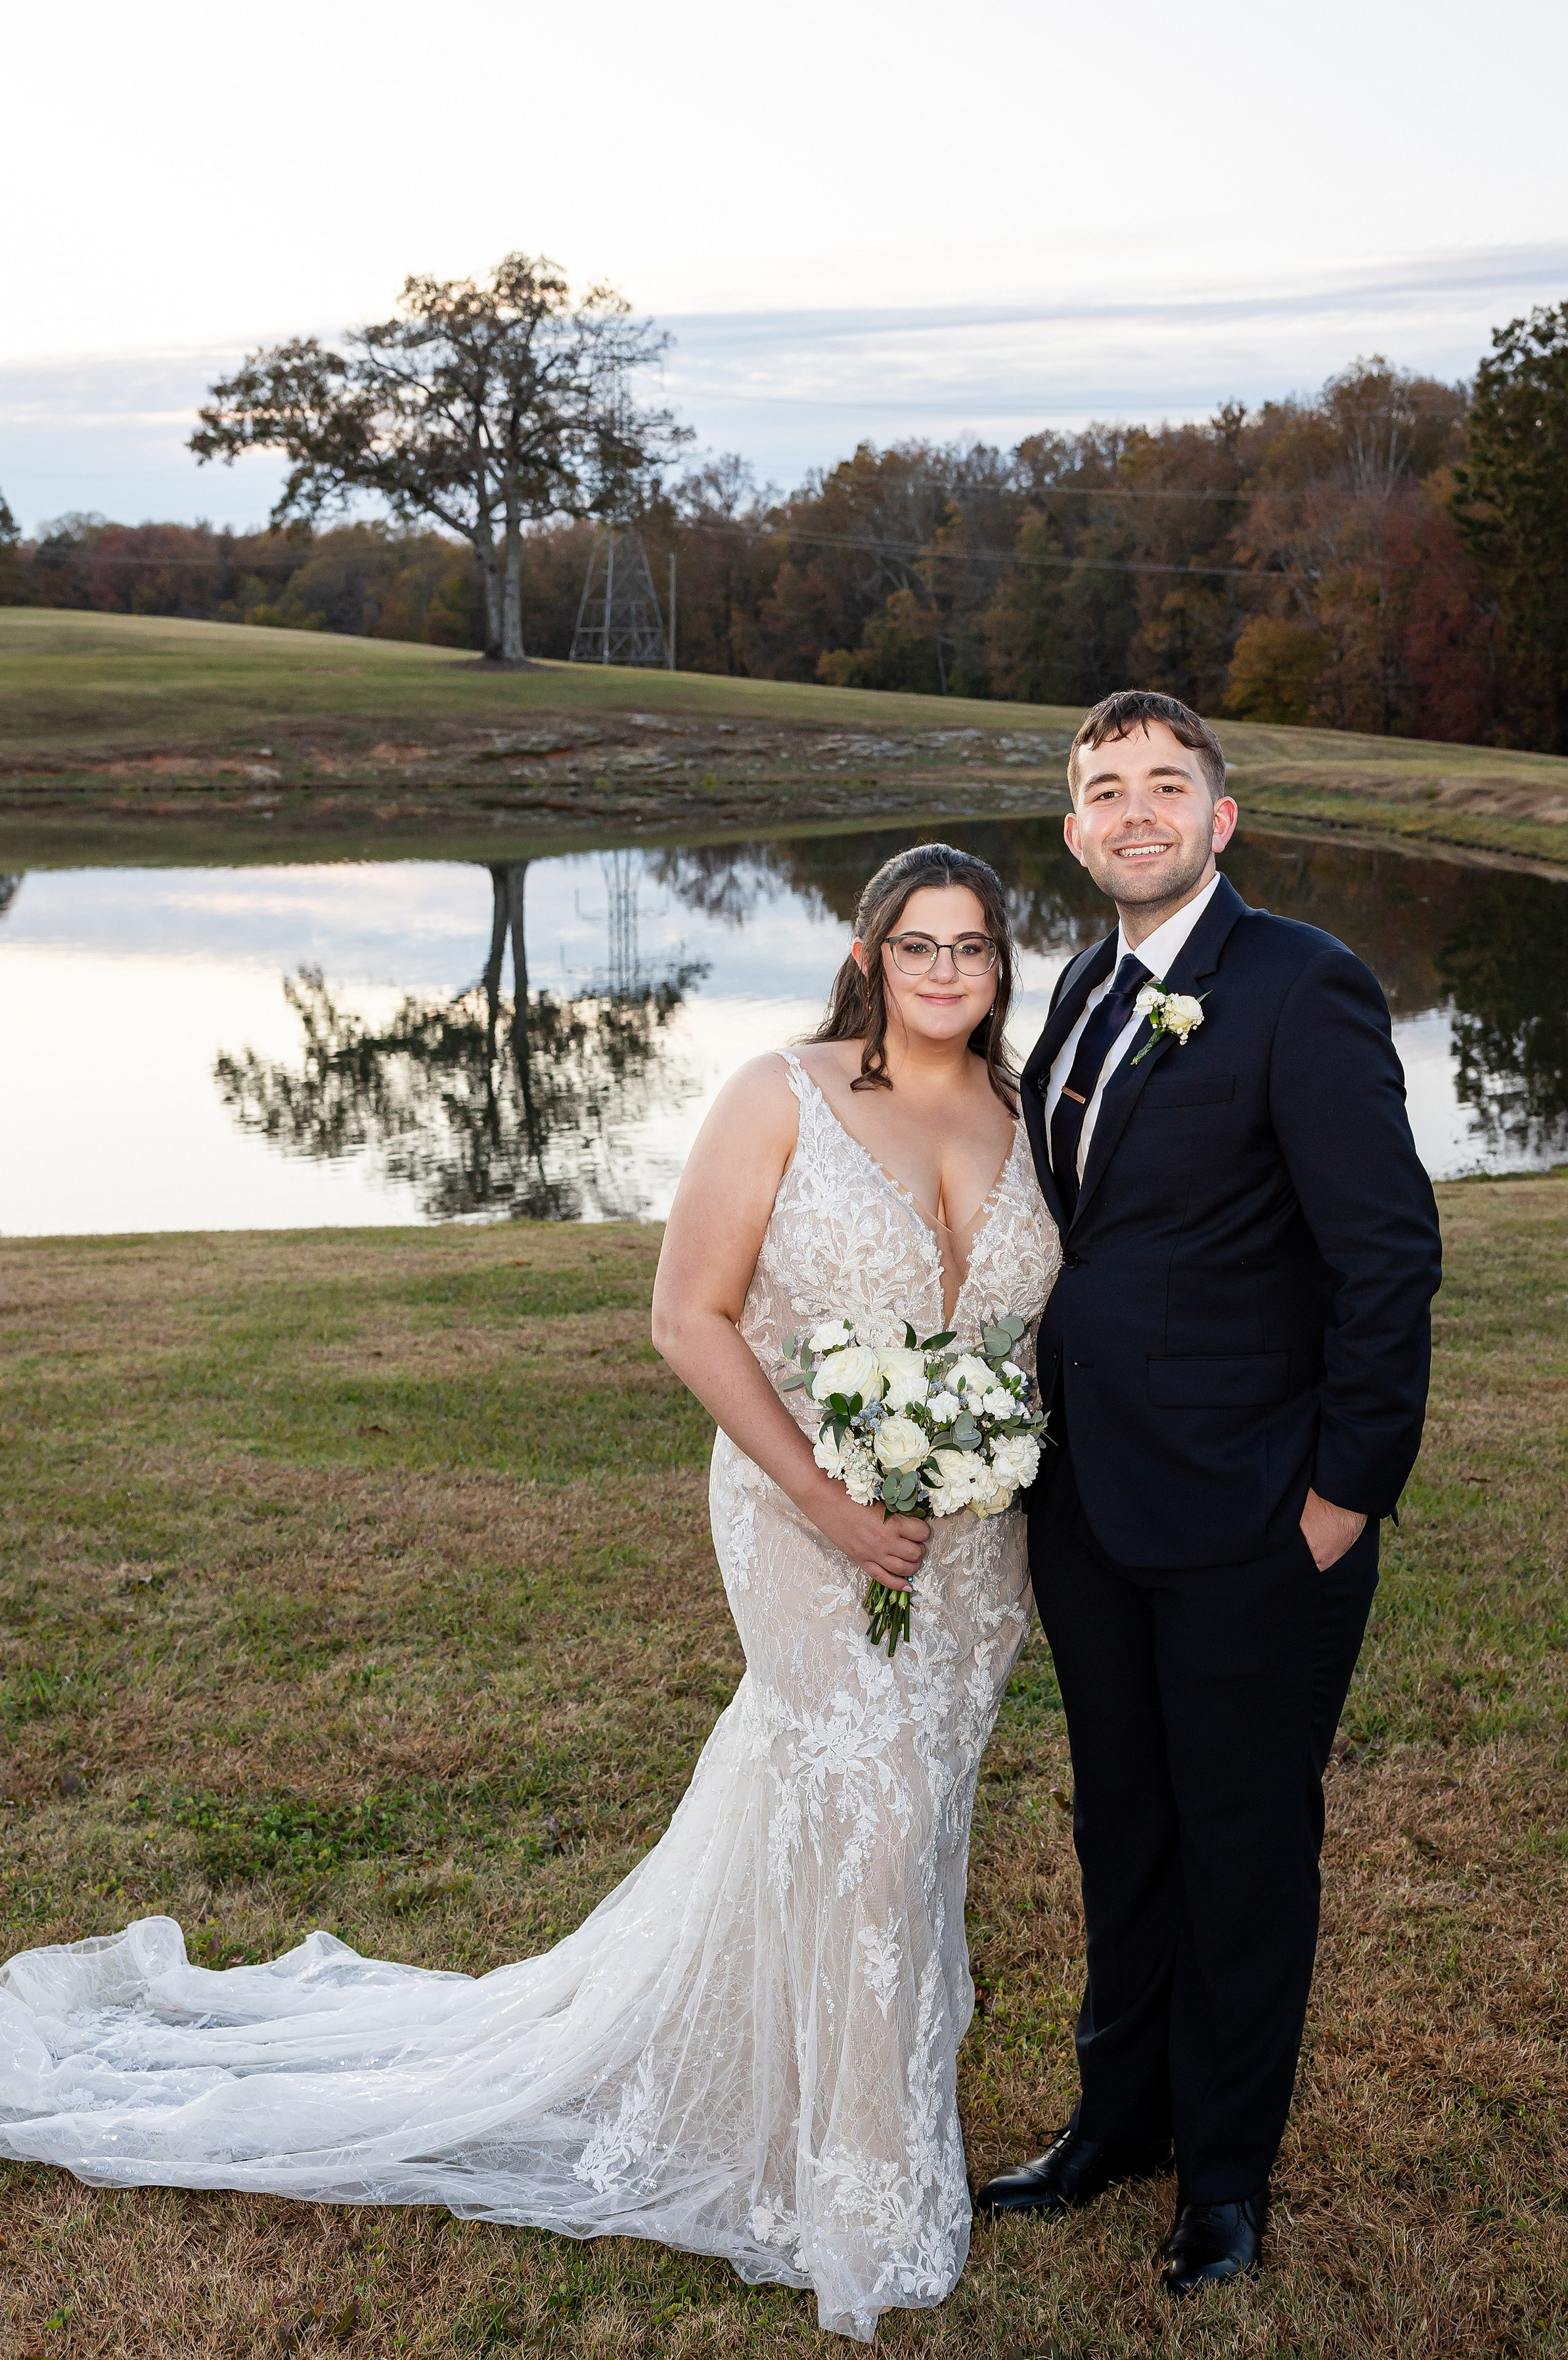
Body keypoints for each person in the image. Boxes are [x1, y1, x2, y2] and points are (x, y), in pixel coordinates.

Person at [0, 843, 1062, 2348]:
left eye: (973, 948)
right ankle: (863, 2196)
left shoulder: (1029, 1116)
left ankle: (810, 2104)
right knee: (870, 1815)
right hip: (797, 1514)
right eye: (918, 946)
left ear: (1002, 966)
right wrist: (830, 1502)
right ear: (867, 953)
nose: (946, 973)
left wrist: (975, 1465)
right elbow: (687, 1319)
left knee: (906, 1822)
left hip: (969, 1550)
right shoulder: (780, 1094)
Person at [974, 691, 1442, 2297]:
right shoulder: (1085, 990)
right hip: (1093, 1511)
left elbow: (1384, 1258)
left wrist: (1340, 1497)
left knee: (1244, 1848)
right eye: (1103, 790)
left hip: (1256, 1516)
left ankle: (1224, 2180)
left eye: (1165, 785)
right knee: (1126, 1830)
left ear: (1219, 818)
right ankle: (1118, 2121)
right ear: (1072, 828)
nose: (1134, 813)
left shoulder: (1299, 985)